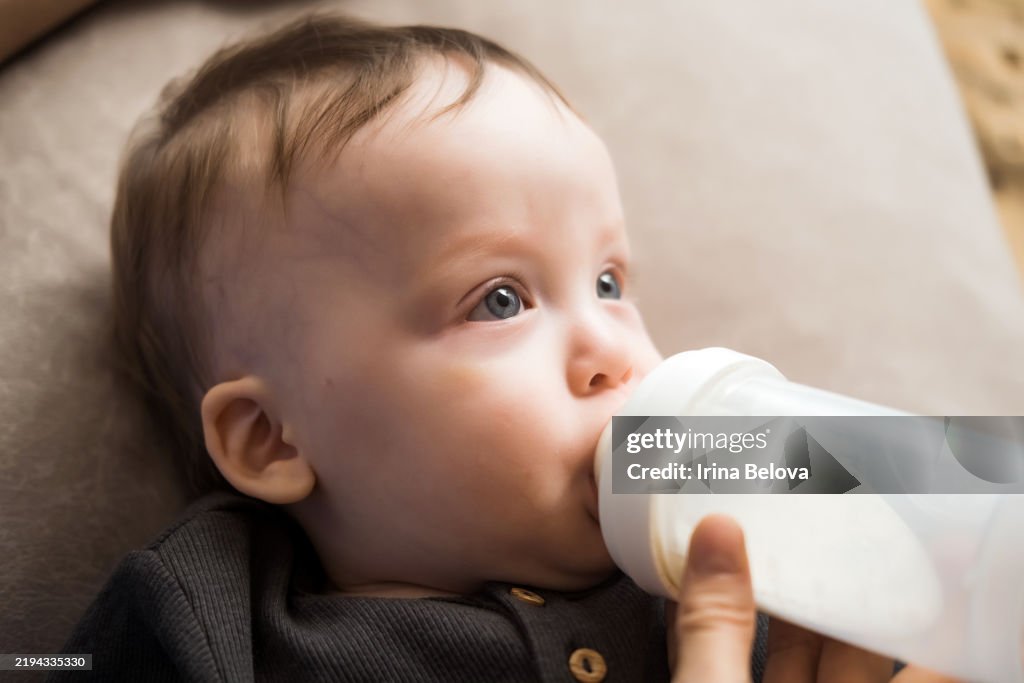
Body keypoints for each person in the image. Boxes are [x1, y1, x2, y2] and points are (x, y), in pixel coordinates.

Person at [53, 13, 962, 682]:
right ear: (274, 438)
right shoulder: (210, 619)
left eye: (610, 282)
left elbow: (964, 529)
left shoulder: (724, 543)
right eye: (500, 298)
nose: (611, 348)